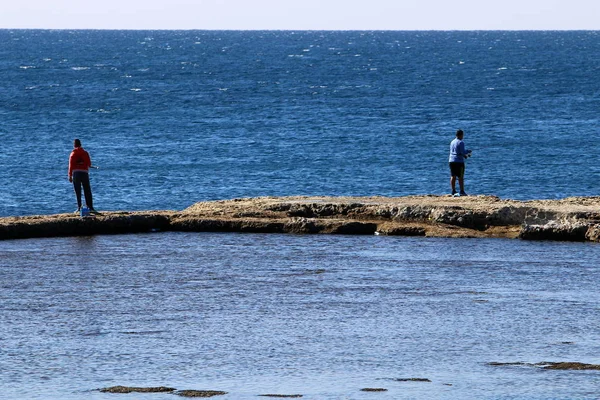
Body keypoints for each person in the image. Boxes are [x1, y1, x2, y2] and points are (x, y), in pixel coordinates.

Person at [68, 139, 97, 214]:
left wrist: (70, 175)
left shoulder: (72, 154)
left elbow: (71, 166)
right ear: (80, 144)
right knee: (87, 190)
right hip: (84, 173)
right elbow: (89, 164)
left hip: (76, 174)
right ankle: (90, 207)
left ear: (74, 145)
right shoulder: (85, 153)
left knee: (78, 191)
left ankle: (79, 207)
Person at [448, 129, 472, 196]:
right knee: (460, 176)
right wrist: (468, 151)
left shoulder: (452, 142)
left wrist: (464, 156)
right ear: (461, 135)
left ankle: (453, 190)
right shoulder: (461, 142)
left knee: (453, 176)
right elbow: (462, 152)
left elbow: (456, 152)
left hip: (451, 160)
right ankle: (462, 191)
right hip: (459, 162)